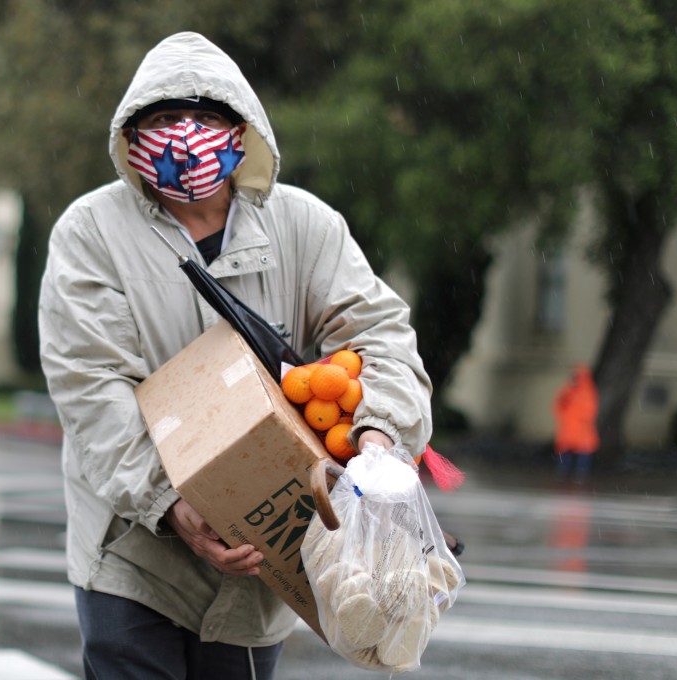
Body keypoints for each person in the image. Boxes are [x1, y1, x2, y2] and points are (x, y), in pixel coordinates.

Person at [38, 31, 433, 680]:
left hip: (266, 563)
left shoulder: (304, 226)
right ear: (131, 134)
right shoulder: (92, 234)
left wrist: (377, 433)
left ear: (240, 131)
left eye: (206, 117)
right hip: (134, 557)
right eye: (164, 119)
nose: (185, 135)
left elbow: (380, 334)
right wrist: (172, 503)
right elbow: (92, 387)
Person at [552, 364, 600, 483]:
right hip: (570, 428)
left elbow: (589, 411)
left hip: (580, 429)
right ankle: (564, 473)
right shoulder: (569, 390)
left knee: (581, 453)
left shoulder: (587, 392)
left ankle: (579, 474)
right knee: (566, 452)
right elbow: (559, 404)